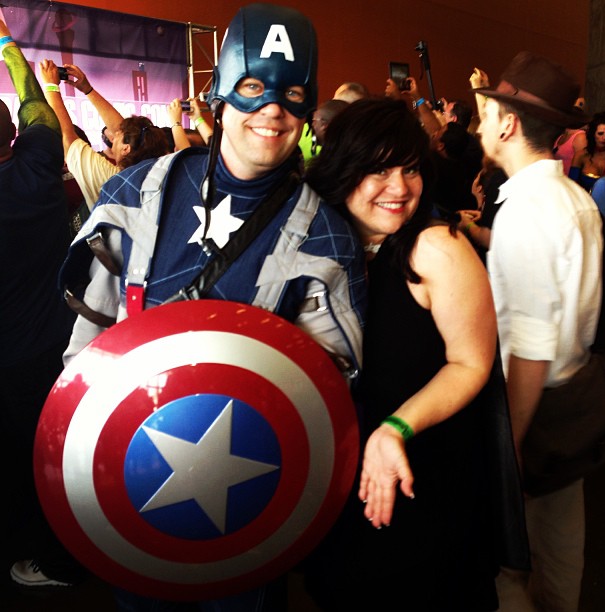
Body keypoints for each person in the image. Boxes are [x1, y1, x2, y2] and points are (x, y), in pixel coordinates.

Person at [50, 3, 366, 610]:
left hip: (249, 493)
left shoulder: (325, 237)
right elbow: (85, 354)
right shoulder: (132, 196)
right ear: (219, 96)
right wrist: (80, 447)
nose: (272, 109)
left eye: (293, 94)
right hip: (127, 471)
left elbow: (326, 394)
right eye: (252, 88)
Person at [303, 97, 519, 611]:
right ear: (341, 169)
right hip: (339, 487)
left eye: (410, 168)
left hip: (424, 479)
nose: (400, 188)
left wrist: (395, 429)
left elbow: (472, 363)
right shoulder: (314, 246)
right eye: (378, 169)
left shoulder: (436, 247)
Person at [473, 52, 603, 611]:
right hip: (573, 400)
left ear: (509, 124)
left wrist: (512, 445)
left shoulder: (528, 209)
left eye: (487, 113)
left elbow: (528, 347)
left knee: (508, 561)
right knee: (559, 547)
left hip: (535, 407)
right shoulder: (572, 195)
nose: (479, 124)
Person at [0, 12, 81, 589]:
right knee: (54, 455)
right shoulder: (38, 164)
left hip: (7, 358)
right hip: (58, 343)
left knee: (17, 464)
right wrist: (6, 43)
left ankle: (51, 561)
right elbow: (33, 100)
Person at [39, 60, 169, 210]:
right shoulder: (153, 172)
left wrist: (50, 86)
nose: (114, 134)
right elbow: (124, 130)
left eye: (118, 135)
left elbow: (68, 136)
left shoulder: (112, 177)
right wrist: (87, 89)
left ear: (126, 149)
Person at [569, 110, 605, 191]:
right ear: (593, 134)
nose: (604, 138)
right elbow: (571, 186)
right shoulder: (581, 155)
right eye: (600, 133)